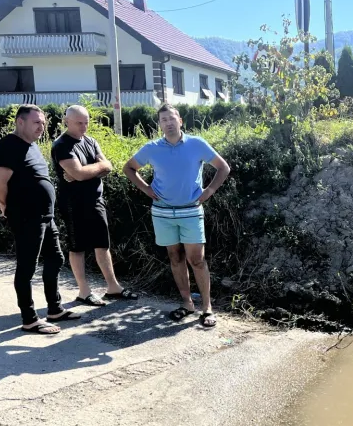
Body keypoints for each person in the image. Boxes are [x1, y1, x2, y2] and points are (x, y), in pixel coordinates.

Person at [122, 103, 231, 327]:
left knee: (197, 259)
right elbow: (128, 168)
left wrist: (209, 191)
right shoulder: (152, 148)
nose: (168, 123)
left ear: (180, 120)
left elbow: (223, 167)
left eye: (171, 118)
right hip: (162, 213)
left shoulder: (196, 144)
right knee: (175, 257)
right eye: (163, 120)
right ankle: (187, 303)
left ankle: (207, 308)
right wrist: (146, 189)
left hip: (191, 211)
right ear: (159, 124)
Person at [0, 105, 79, 334]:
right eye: (36, 122)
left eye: (43, 123)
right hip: (27, 216)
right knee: (27, 267)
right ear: (20, 122)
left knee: (56, 258)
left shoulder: (32, 146)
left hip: (44, 215)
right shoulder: (8, 146)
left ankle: (54, 308)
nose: (42, 126)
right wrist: (7, 206)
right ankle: (29, 319)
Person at [51, 105, 138, 306]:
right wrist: (89, 171)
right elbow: (80, 173)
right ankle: (84, 291)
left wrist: (86, 171)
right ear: (67, 121)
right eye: (79, 123)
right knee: (78, 247)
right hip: (73, 204)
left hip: (96, 200)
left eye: (86, 122)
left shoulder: (91, 141)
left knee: (102, 244)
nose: (84, 126)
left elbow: (107, 166)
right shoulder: (61, 145)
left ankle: (113, 287)